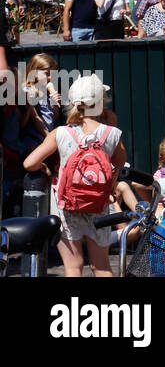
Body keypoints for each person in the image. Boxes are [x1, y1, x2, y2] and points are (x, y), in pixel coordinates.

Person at [23, 73, 127, 277]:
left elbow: (29, 163)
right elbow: (119, 164)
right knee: (102, 266)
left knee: (73, 266)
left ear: (71, 103)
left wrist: (45, 168)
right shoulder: (112, 134)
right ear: (100, 102)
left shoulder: (61, 133)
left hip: (67, 208)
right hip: (99, 206)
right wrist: (109, 187)